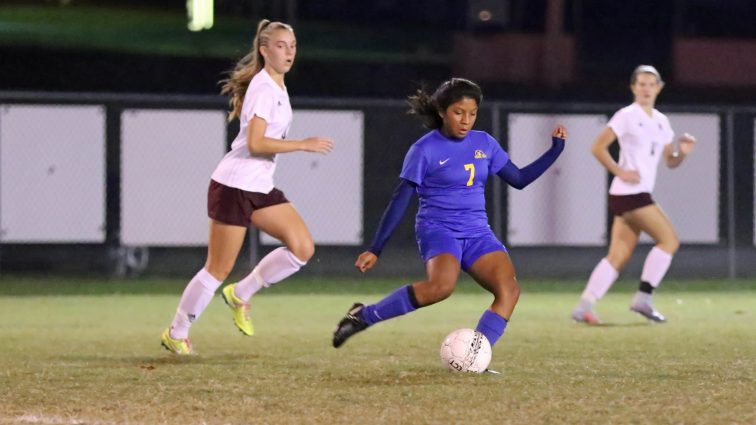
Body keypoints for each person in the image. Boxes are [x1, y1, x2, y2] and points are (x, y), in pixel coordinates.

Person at [332, 78, 567, 352]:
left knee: (509, 291)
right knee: (441, 287)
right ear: (442, 112)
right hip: (439, 229)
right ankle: (364, 316)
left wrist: (555, 151)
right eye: (458, 112)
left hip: (478, 232)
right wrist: (376, 248)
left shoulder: (485, 144)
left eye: (472, 113)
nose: (466, 120)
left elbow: (519, 179)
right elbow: (400, 200)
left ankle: (473, 355)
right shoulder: (425, 149)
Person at [161, 19, 334, 355]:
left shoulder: (278, 87)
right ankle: (176, 332)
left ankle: (241, 294)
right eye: (281, 46)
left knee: (302, 247)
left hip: (258, 186)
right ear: (264, 49)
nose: (288, 52)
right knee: (217, 268)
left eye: (293, 46)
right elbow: (255, 143)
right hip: (234, 185)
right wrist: (302, 144)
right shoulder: (263, 87)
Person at [571, 65, 696, 325]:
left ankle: (584, 306)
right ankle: (644, 298)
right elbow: (597, 147)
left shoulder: (661, 122)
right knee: (669, 240)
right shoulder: (627, 115)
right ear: (633, 88)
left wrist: (682, 152)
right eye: (641, 83)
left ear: (659, 87)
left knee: (618, 256)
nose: (646, 88)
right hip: (630, 193)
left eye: (651, 84)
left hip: (630, 195)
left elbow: (670, 161)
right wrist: (620, 170)